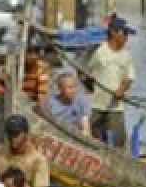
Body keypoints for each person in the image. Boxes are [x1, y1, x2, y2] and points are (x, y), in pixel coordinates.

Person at [88, 14, 137, 148]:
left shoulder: (126, 56)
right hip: (98, 105)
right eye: (124, 33)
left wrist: (121, 90)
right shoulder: (99, 52)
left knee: (118, 142)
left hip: (115, 106)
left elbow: (129, 78)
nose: (126, 38)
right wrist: (90, 87)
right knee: (95, 141)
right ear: (113, 32)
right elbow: (87, 73)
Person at [0, 114, 51, 187]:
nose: (12, 137)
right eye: (10, 133)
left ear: (26, 134)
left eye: (16, 134)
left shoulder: (38, 160)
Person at [46, 69, 92, 135]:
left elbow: (86, 127)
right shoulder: (51, 103)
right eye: (69, 87)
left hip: (75, 134)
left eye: (74, 86)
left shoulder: (82, 101)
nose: (73, 90)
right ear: (60, 88)